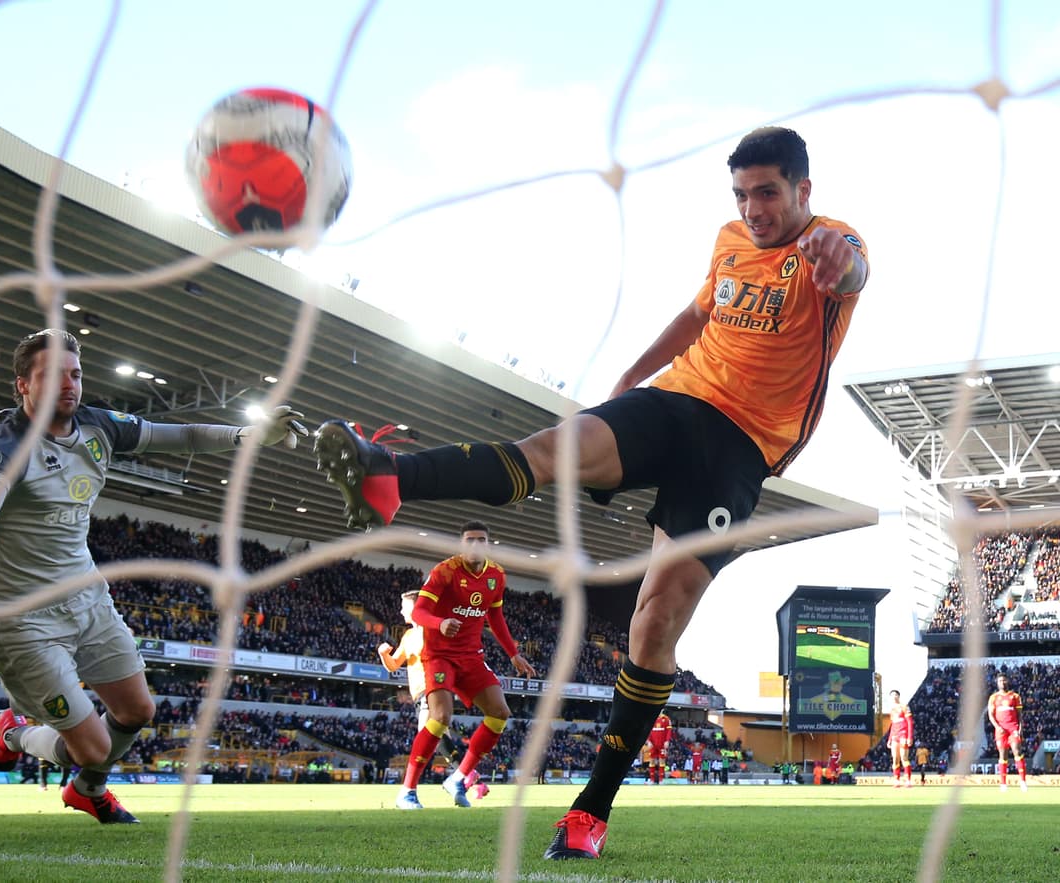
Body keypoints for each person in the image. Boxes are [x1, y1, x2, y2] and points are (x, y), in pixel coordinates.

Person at [312, 126, 868, 859]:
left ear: (803, 190)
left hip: (739, 446)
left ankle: (590, 812)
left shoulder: (831, 242)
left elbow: (854, 271)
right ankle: (388, 477)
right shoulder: (729, 239)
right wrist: (628, 381)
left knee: (655, 621)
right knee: (551, 449)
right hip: (675, 401)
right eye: (741, 193)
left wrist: (843, 260)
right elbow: (700, 314)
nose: (754, 208)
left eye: (767, 192)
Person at [0, 328, 308, 824]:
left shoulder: (97, 427)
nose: (68, 384)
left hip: (86, 598)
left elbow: (177, 435)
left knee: (138, 711)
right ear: (23, 387)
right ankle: (13, 732)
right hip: (21, 618)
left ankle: (86, 791)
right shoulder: (7, 438)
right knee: (92, 748)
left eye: (74, 374)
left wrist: (246, 436)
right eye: (52, 375)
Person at [390, 521, 535, 810]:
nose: (475, 545)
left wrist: (513, 653)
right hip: (439, 655)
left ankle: (457, 778)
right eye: (469, 540)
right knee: (441, 717)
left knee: (499, 712)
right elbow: (419, 610)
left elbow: (496, 617)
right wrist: (440, 623)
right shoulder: (445, 571)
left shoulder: (496, 575)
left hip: (471, 656)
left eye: (481, 539)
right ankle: (407, 792)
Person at [375, 590, 465, 788]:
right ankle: (466, 773)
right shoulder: (409, 636)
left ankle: (410, 787)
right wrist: (384, 655)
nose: (400, 611)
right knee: (440, 736)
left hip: (432, 688)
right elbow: (393, 665)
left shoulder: (432, 632)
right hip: (420, 694)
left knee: (426, 732)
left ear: (416, 608)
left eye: (404, 607)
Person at [987, 672, 1027, 792]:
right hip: (1001, 730)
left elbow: (1020, 715)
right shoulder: (993, 697)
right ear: (997, 683)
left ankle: (1023, 782)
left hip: (1013, 728)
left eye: (1004, 680)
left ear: (1007, 681)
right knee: (1002, 755)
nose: (1002, 683)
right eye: (1000, 681)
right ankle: (1003, 784)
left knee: (1017, 751)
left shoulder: (1015, 696)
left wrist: (1020, 728)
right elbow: (990, 715)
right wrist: (997, 727)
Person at [887, 689, 914, 788]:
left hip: (903, 735)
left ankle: (908, 780)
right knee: (895, 759)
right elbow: (892, 725)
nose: (894, 697)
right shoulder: (891, 710)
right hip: (895, 736)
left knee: (904, 758)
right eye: (892, 695)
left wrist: (909, 736)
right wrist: (889, 739)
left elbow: (909, 722)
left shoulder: (904, 707)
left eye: (895, 695)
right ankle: (897, 780)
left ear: (898, 696)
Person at [645, 712, 672, 784]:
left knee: (662, 761)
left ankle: (661, 780)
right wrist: (648, 741)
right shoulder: (651, 718)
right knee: (652, 761)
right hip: (652, 744)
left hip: (662, 744)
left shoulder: (666, 719)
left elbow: (669, 731)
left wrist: (667, 741)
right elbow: (646, 730)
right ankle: (652, 780)